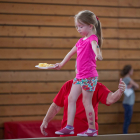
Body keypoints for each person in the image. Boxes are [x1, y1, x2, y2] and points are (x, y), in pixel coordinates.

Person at [54, 10, 103, 136]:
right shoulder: (80, 41)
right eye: (77, 26)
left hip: (89, 76)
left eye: (81, 26)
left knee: (87, 102)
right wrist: (60, 64)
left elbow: (95, 46)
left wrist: (98, 54)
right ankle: (69, 126)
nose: (78, 29)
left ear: (90, 26)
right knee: (71, 98)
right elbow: (70, 54)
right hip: (79, 76)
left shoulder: (92, 38)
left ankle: (92, 129)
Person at [40, 78, 126, 137]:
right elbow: (55, 106)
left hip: (87, 136)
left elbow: (110, 99)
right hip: (67, 136)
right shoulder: (68, 85)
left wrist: (120, 91)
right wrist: (45, 120)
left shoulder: (96, 86)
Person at [121, 65, 139, 134]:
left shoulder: (126, 79)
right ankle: (125, 135)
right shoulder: (127, 79)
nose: (133, 72)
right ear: (129, 71)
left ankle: (125, 135)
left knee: (127, 120)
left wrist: (132, 86)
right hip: (128, 103)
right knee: (127, 121)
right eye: (132, 70)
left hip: (128, 103)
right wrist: (133, 85)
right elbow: (137, 86)